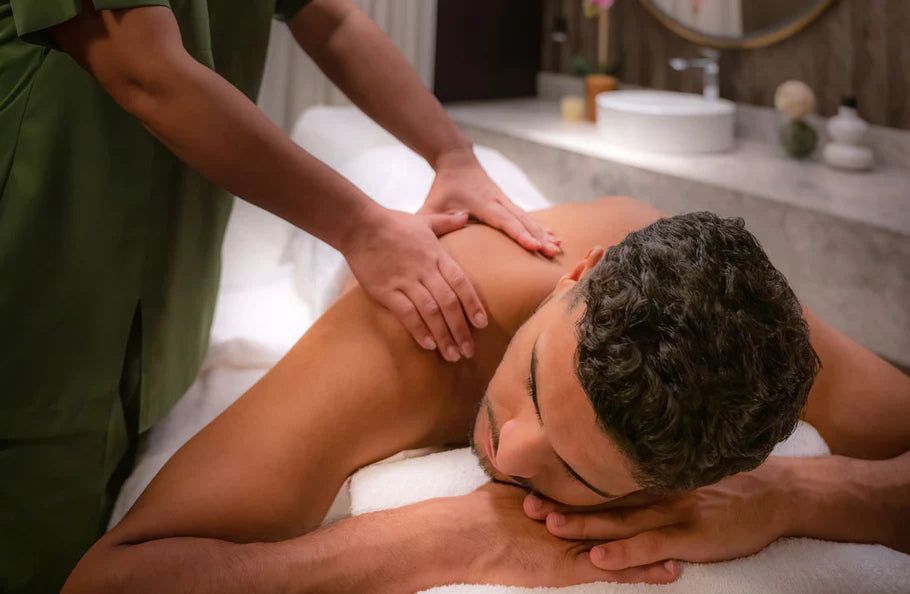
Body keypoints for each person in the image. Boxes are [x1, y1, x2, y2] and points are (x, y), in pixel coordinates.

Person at [63, 196, 910, 592]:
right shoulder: (409, 340)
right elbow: (107, 580)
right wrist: (437, 539)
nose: (511, 449)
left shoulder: (743, 340)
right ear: (580, 275)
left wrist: (793, 494)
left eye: (578, 471)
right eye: (533, 382)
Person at [0, 0, 561, 590]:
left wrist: (452, 154)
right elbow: (145, 71)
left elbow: (332, 19)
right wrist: (361, 229)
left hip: (160, 301)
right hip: (44, 275)